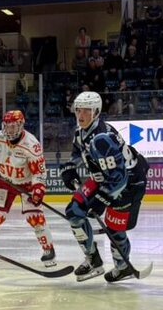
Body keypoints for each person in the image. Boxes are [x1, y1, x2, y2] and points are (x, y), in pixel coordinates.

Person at [60, 92, 149, 283]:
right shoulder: (81, 131)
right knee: (74, 212)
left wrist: (100, 201)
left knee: (114, 226)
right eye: (78, 110)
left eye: (86, 110)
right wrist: (69, 168)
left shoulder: (101, 139)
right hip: (104, 178)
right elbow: (77, 152)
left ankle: (122, 266)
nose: (80, 114)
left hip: (130, 183)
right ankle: (93, 259)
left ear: (96, 112)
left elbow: (119, 177)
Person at [0, 110, 56, 268]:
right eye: (7, 126)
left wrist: (38, 189)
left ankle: (48, 250)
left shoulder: (31, 145)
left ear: (21, 125)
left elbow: (39, 171)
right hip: (5, 181)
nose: (10, 130)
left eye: (13, 126)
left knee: (35, 218)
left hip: (27, 184)